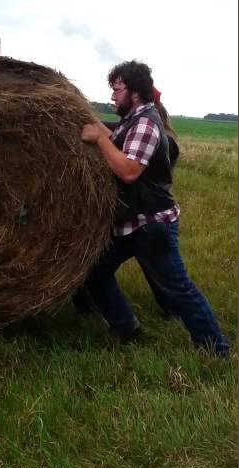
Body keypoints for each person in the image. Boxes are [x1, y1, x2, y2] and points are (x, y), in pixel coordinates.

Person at [78, 60, 230, 357]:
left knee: (178, 289)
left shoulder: (146, 123)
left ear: (134, 92)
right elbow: (120, 142)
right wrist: (93, 124)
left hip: (151, 225)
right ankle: (125, 327)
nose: (113, 96)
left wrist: (98, 139)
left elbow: (130, 170)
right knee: (95, 270)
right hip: (132, 223)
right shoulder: (133, 120)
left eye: (117, 89)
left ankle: (216, 348)